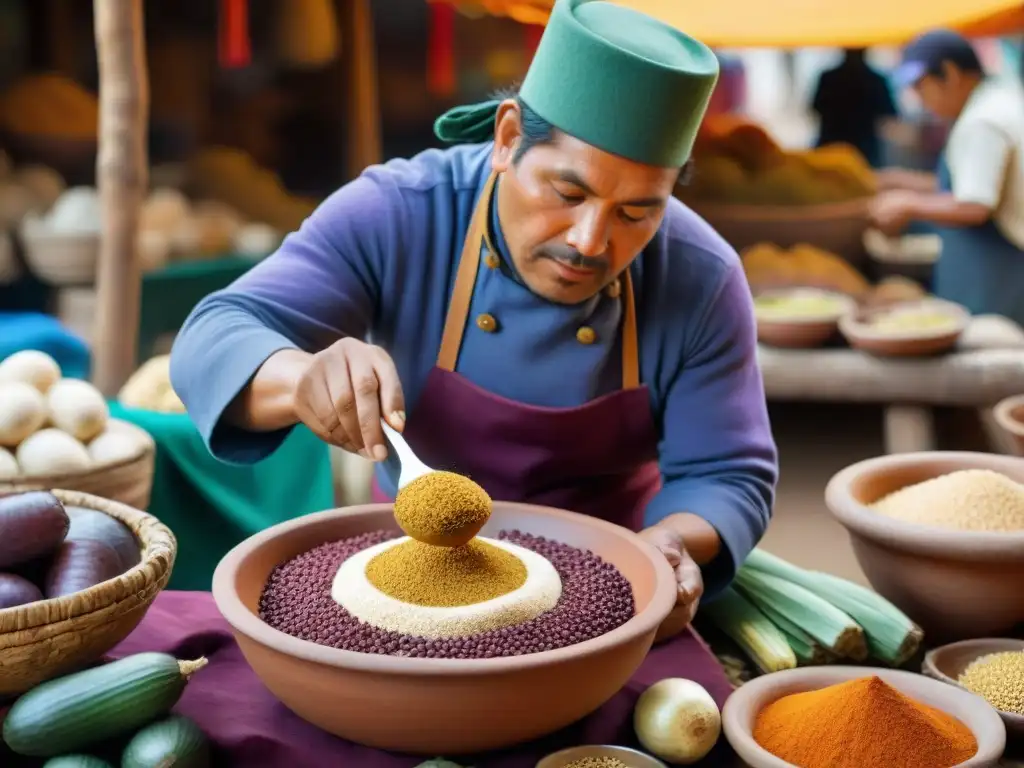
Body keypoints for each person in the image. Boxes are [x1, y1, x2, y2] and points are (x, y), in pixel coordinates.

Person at [170, 0, 778, 628]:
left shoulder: (701, 275)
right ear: (509, 139)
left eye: (636, 213)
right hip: (410, 578)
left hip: (610, 589)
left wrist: (673, 542)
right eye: (568, 193)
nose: (590, 241)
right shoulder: (399, 213)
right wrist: (301, 379)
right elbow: (214, 334)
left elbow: (726, 472)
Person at [870, 30, 1024, 325]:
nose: (920, 100)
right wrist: (901, 181)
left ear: (950, 74)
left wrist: (908, 204)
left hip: (998, 282)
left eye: (921, 87)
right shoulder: (995, 100)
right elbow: (970, 181)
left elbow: (975, 205)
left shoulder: (983, 121)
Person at [810, 48, 899, 167]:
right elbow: (890, 112)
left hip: (833, 147)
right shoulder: (875, 80)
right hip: (863, 150)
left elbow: (815, 107)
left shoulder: (829, 78)